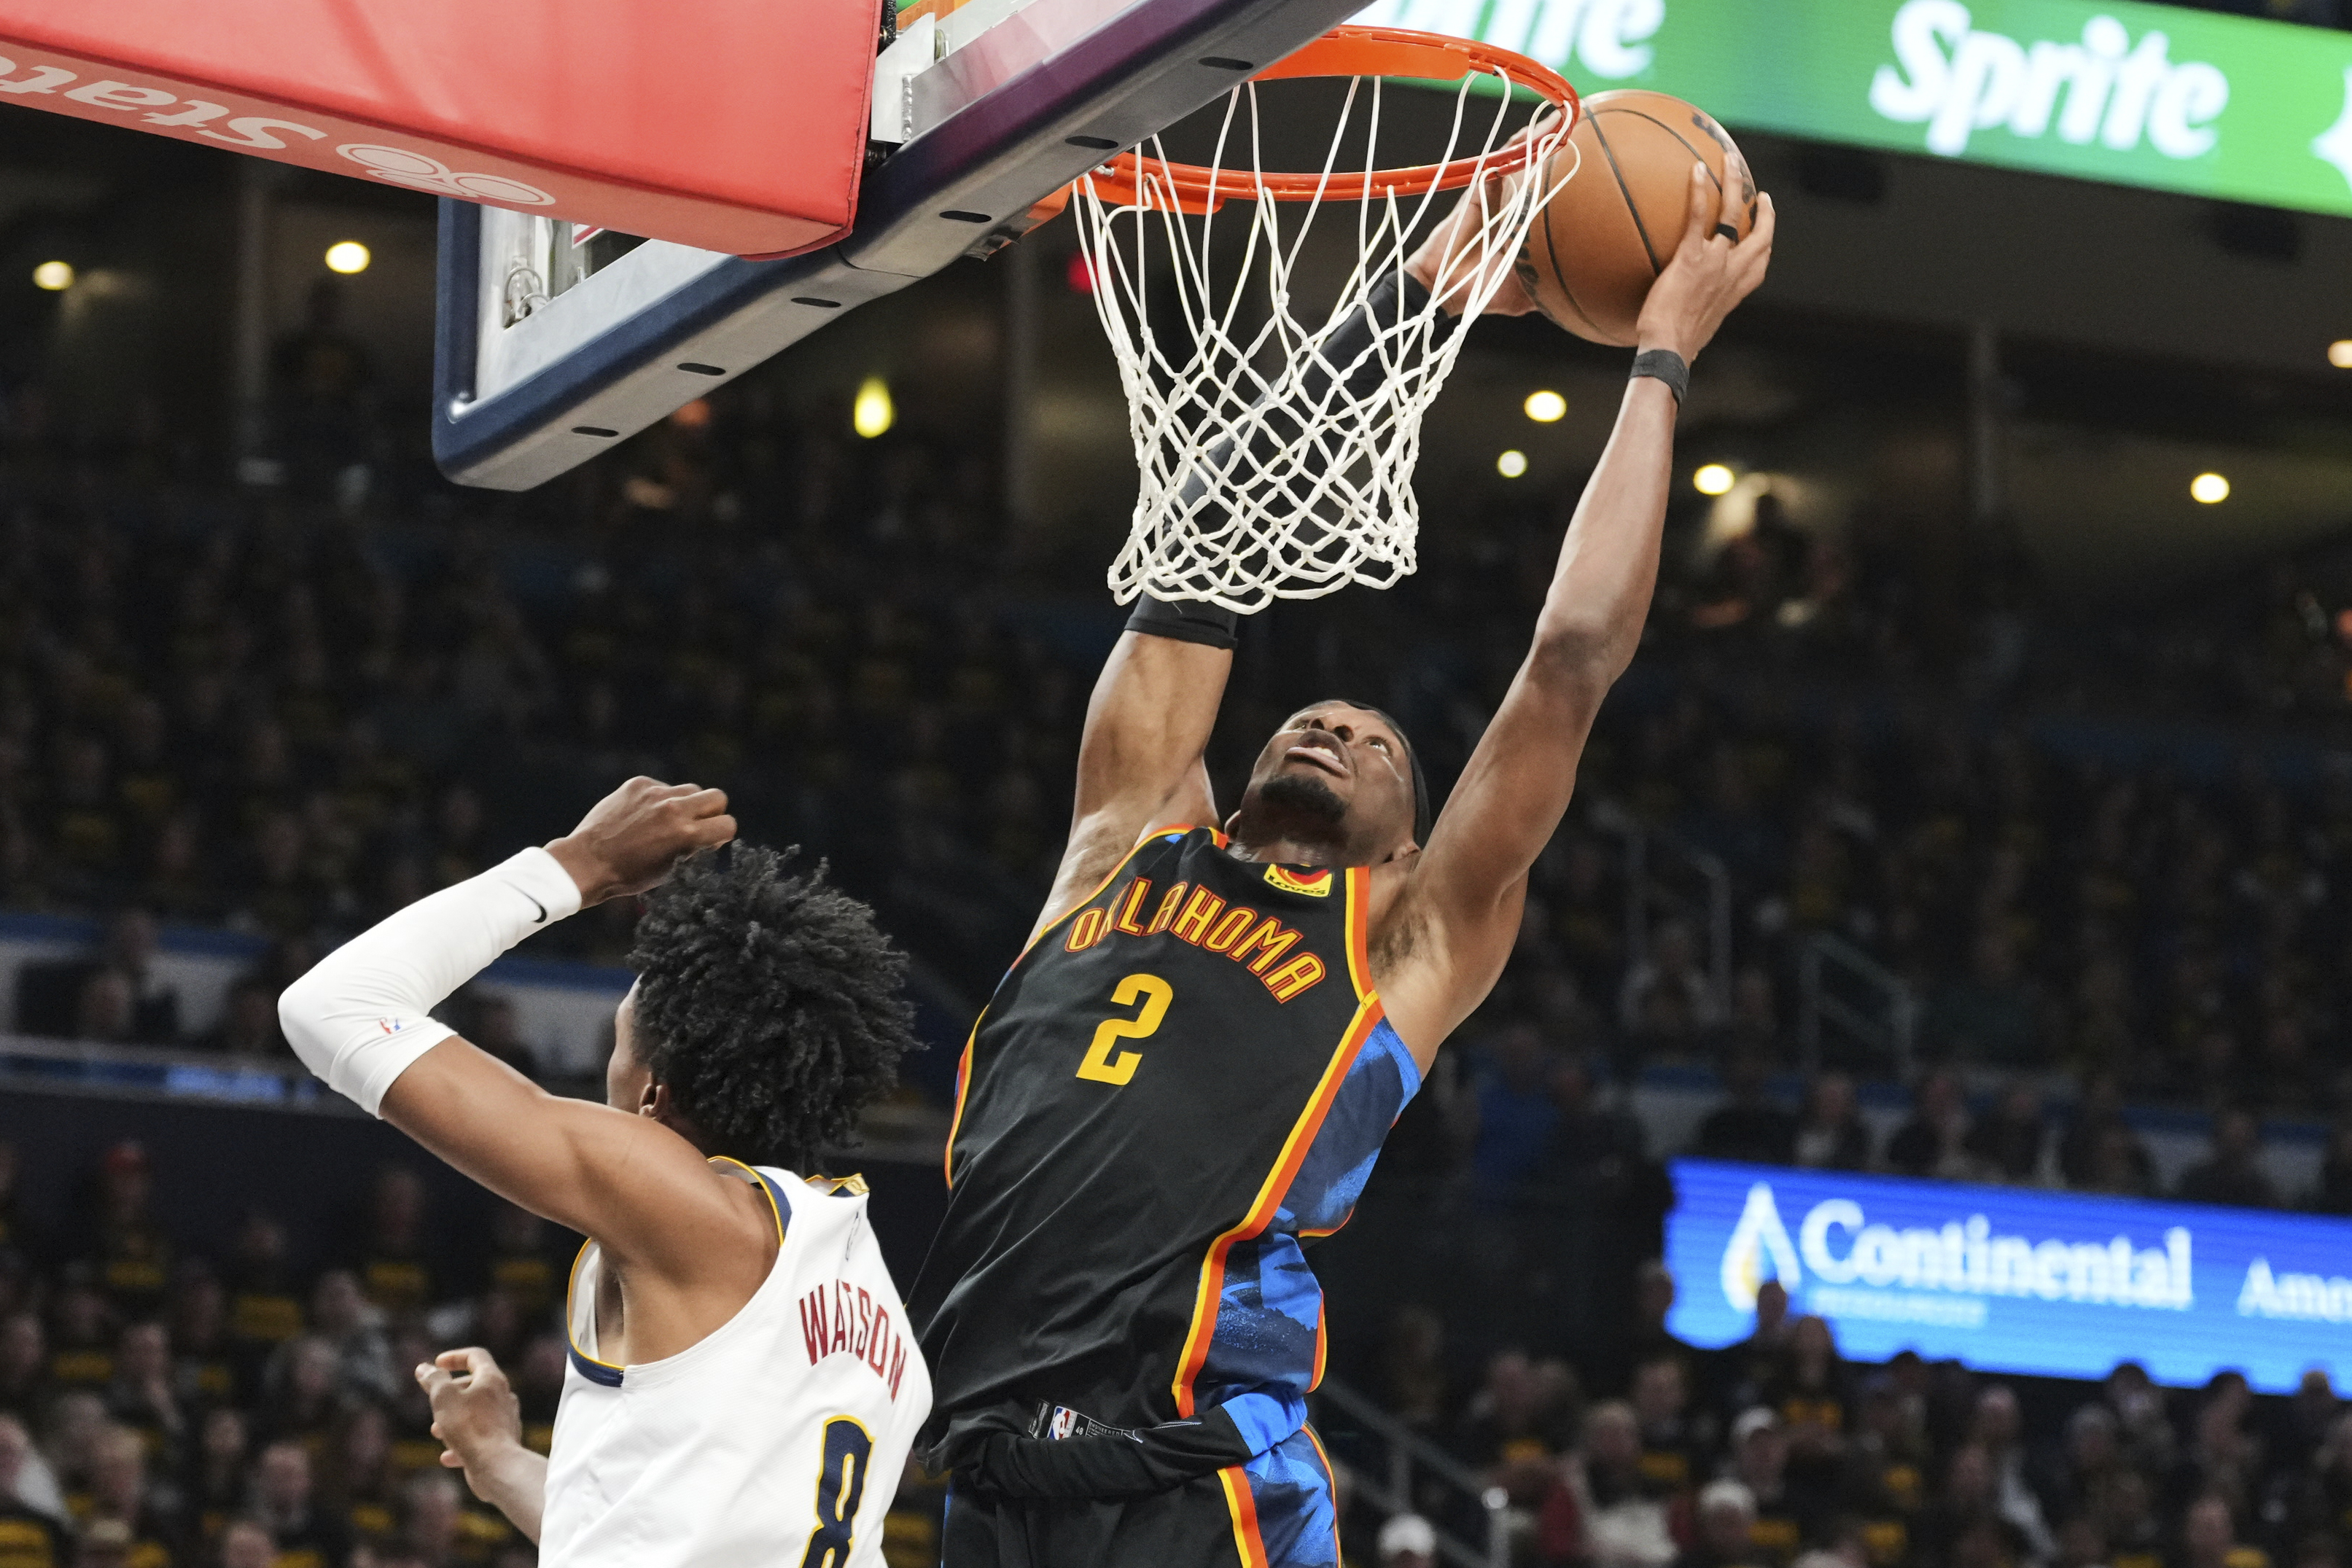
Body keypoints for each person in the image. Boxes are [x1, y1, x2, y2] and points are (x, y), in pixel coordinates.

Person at [907, 157, 1775, 1568]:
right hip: (992, 1471)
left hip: (1200, 1471)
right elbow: (1206, 539)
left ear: (1419, 840)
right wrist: (1408, 298)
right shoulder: (1122, 842)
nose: (1331, 724)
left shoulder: (1405, 939)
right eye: (1318, 716)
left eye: (1379, 744)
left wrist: (1662, 354)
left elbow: (1570, 660)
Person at [275, 776, 929, 1567]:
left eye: (614, 1046)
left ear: (655, 1095)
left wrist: (578, 864)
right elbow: (661, 1541)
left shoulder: (683, 1203)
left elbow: (331, 1006)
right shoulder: (865, 1285)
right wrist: (501, 1464)